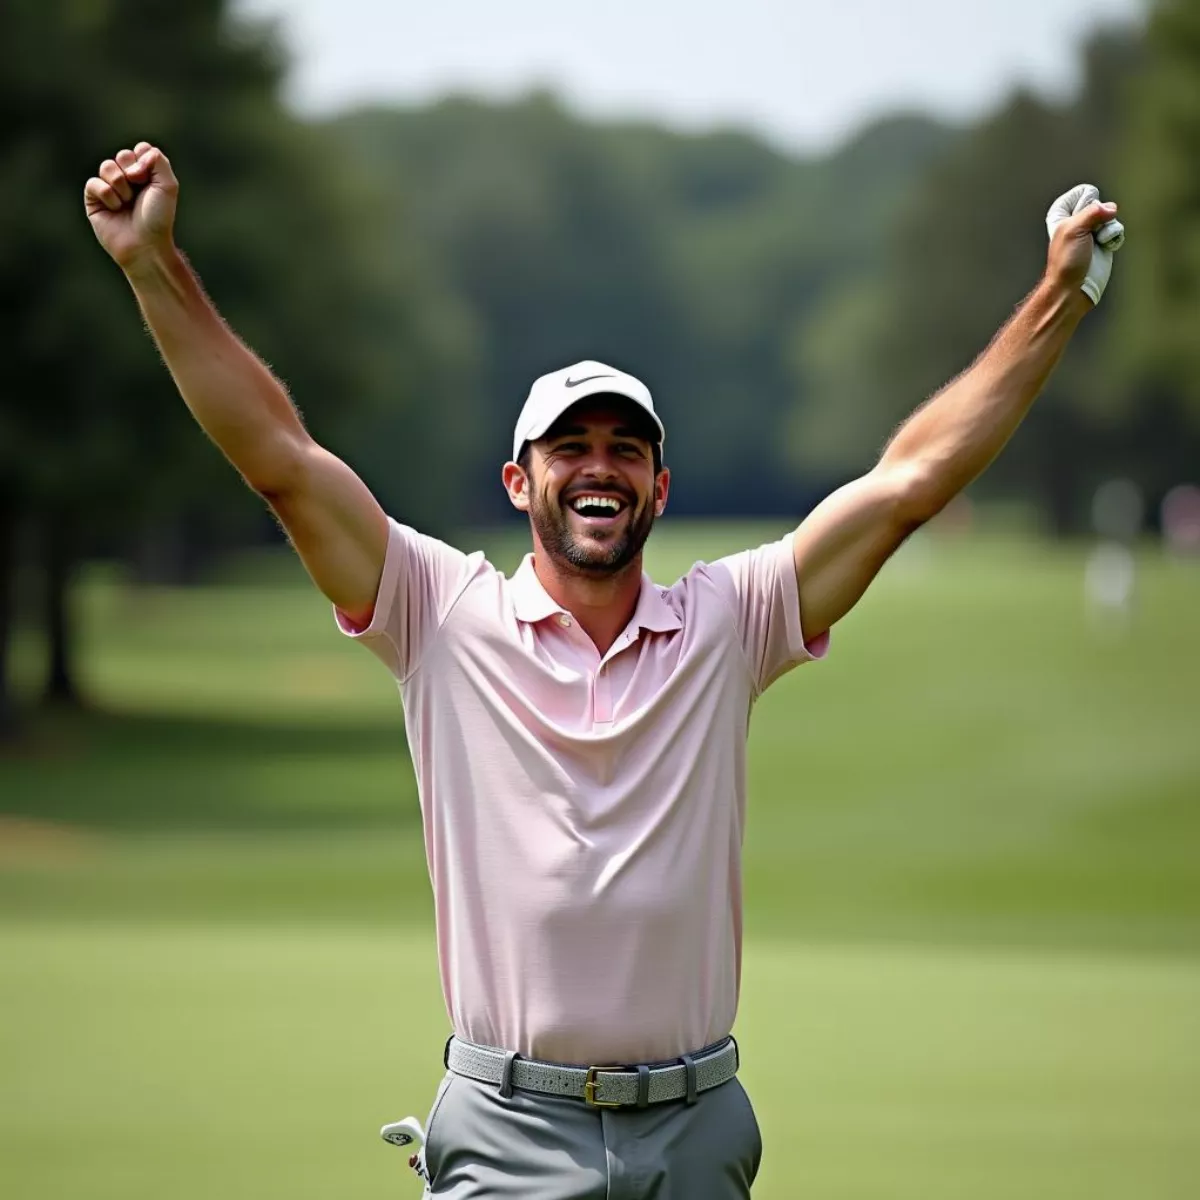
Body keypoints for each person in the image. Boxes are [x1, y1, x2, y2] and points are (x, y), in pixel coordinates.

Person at [84, 144, 1123, 1198]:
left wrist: (1059, 297)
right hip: (506, 1130)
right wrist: (152, 265)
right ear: (518, 479)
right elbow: (281, 460)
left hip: (696, 1127)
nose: (598, 465)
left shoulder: (730, 621)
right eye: (569, 444)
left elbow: (910, 482)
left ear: (659, 486)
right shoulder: (438, 612)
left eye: (626, 448)